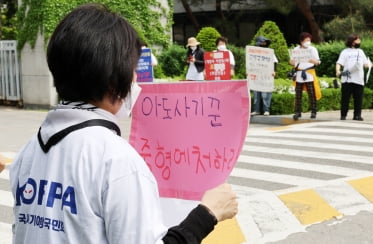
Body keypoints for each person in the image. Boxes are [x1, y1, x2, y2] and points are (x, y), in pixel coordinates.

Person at [9, 3, 238, 244]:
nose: (135, 80)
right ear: (112, 80)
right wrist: (207, 215)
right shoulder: (116, 161)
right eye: (132, 70)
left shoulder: (30, 150)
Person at [336, 34, 373, 121]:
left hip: (359, 79)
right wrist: (338, 71)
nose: (359, 42)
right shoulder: (345, 52)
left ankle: (357, 115)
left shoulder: (361, 52)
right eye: (357, 40)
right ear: (352, 42)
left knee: (358, 98)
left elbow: (365, 64)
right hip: (347, 79)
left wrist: (369, 65)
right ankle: (343, 115)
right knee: (345, 98)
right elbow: (339, 63)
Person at [289, 32, 321, 120]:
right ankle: (297, 112)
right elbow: (291, 61)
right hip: (299, 73)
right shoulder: (296, 49)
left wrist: (313, 61)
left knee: (311, 93)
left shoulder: (312, 49)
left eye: (309, 40)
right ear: (301, 41)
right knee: (298, 94)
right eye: (306, 40)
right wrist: (292, 62)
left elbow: (318, 62)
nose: (308, 42)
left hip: (309, 73)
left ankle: (314, 111)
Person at [251, 36, 278, 116]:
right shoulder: (253, 53)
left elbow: (274, 62)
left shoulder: (269, 52)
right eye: (262, 42)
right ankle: (256, 110)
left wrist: (274, 71)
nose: (264, 44)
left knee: (265, 94)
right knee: (256, 94)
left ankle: (266, 110)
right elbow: (250, 63)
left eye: (265, 42)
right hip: (256, 75)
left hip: (266, 75)